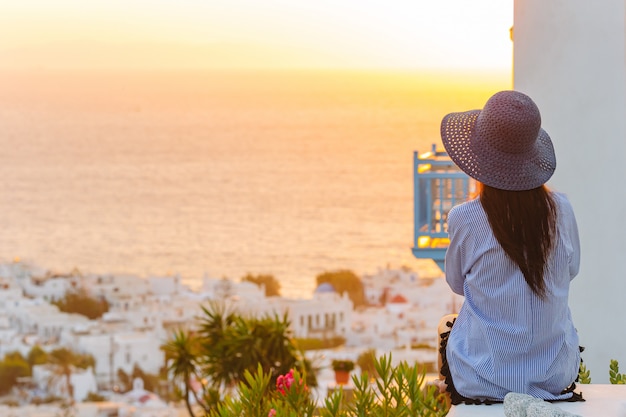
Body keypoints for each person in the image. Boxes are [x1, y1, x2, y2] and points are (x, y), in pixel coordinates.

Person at [436, 90, 583, 405]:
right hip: (554, 376)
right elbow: (571, 271)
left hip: (481, 377)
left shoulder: (466, 218)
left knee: (447, 328)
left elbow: (456, 283)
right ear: (531, 157)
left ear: (478, 157)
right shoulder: (562, 209)